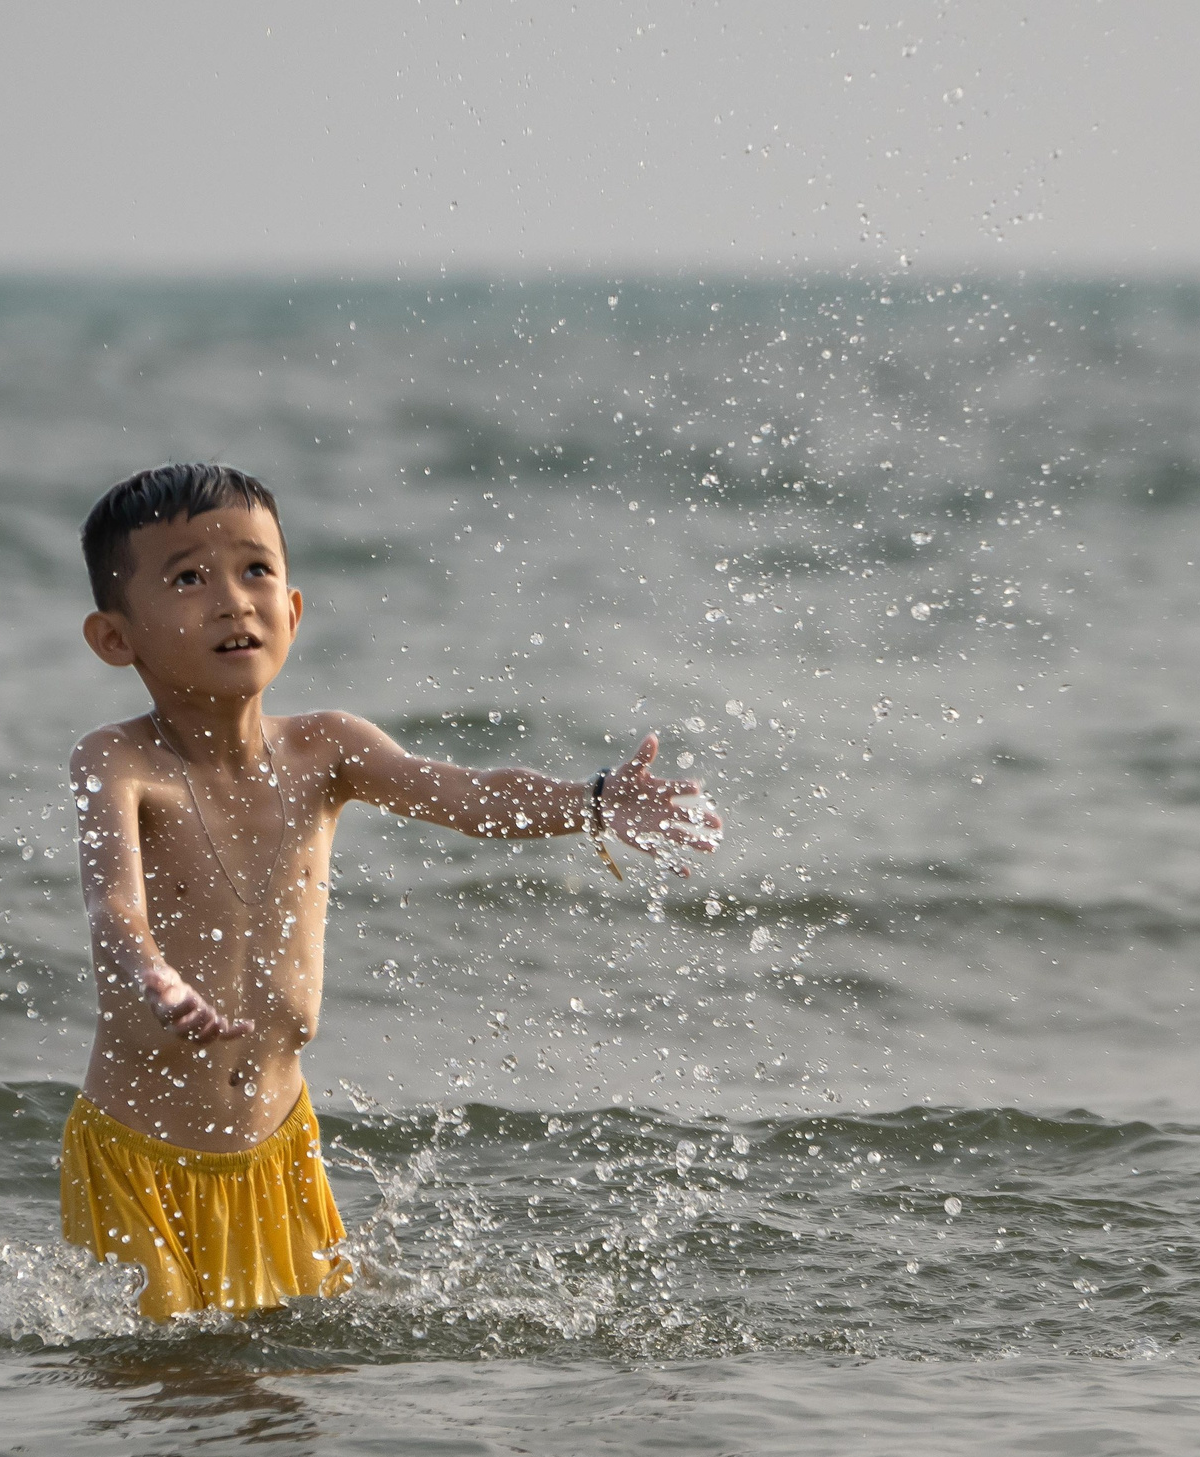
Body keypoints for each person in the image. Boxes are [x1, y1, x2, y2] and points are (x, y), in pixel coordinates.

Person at [60, 462, 721, 1318]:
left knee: (292, 1400)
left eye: (256, 569)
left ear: (293, 609)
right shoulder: (117, 762)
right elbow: (111, 904)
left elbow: (467, 794)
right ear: (117, 639)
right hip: (141, 1160)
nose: (233, 601)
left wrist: (589, 802)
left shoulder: (326, 750)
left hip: (280, 1149)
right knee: (166, 1395)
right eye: (189, 578)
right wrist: (151, 973)